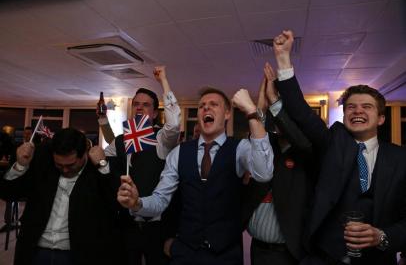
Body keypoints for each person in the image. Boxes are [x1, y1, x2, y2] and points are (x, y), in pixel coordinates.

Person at [272, 30, 406, 265]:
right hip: (325, 257)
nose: (358, 111)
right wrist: (283, 59)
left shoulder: (401, 158)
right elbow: (302, 114)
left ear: (382, 118)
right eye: (351, 107)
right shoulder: (333, 142)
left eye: (367, 107)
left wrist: (382, 236)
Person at [118, 87, 274, 265]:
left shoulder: (240, 148)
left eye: (214, 104)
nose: (206, 108)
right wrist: (137, 203)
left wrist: (251, 113)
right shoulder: (178, 153)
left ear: (228, 114)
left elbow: (264, 173)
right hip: (185, 253)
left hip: (226, 254)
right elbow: (160, 200)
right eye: (201, 106)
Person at [0, 128, 121, 265]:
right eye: (59, 164)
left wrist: (103, 165)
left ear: (84, 155)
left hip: (77, 254)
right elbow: (8, 193)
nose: (65, 169)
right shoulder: (42, 162)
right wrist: (20, 166)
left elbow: (116, 203)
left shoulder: (96, 168)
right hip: (35, 251)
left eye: (71, 165)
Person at [104, 65, 181, 265]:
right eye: (136, 104)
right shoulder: (121, 140)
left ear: (155, 113)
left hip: (157, 227)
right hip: (127, 225)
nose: (139, 107)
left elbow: (173, 125)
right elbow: (104, 160)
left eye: (145, 105)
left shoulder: (161, 138)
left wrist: (163, 80)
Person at [242, 62, 314, 265]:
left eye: (286, 115)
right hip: (256, 248)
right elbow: (257, 133)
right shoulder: (268, 145)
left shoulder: (305, 150)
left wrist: (275, 100)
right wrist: (261, 105)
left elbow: (301, 141)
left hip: (287, 252)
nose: (280, 120)